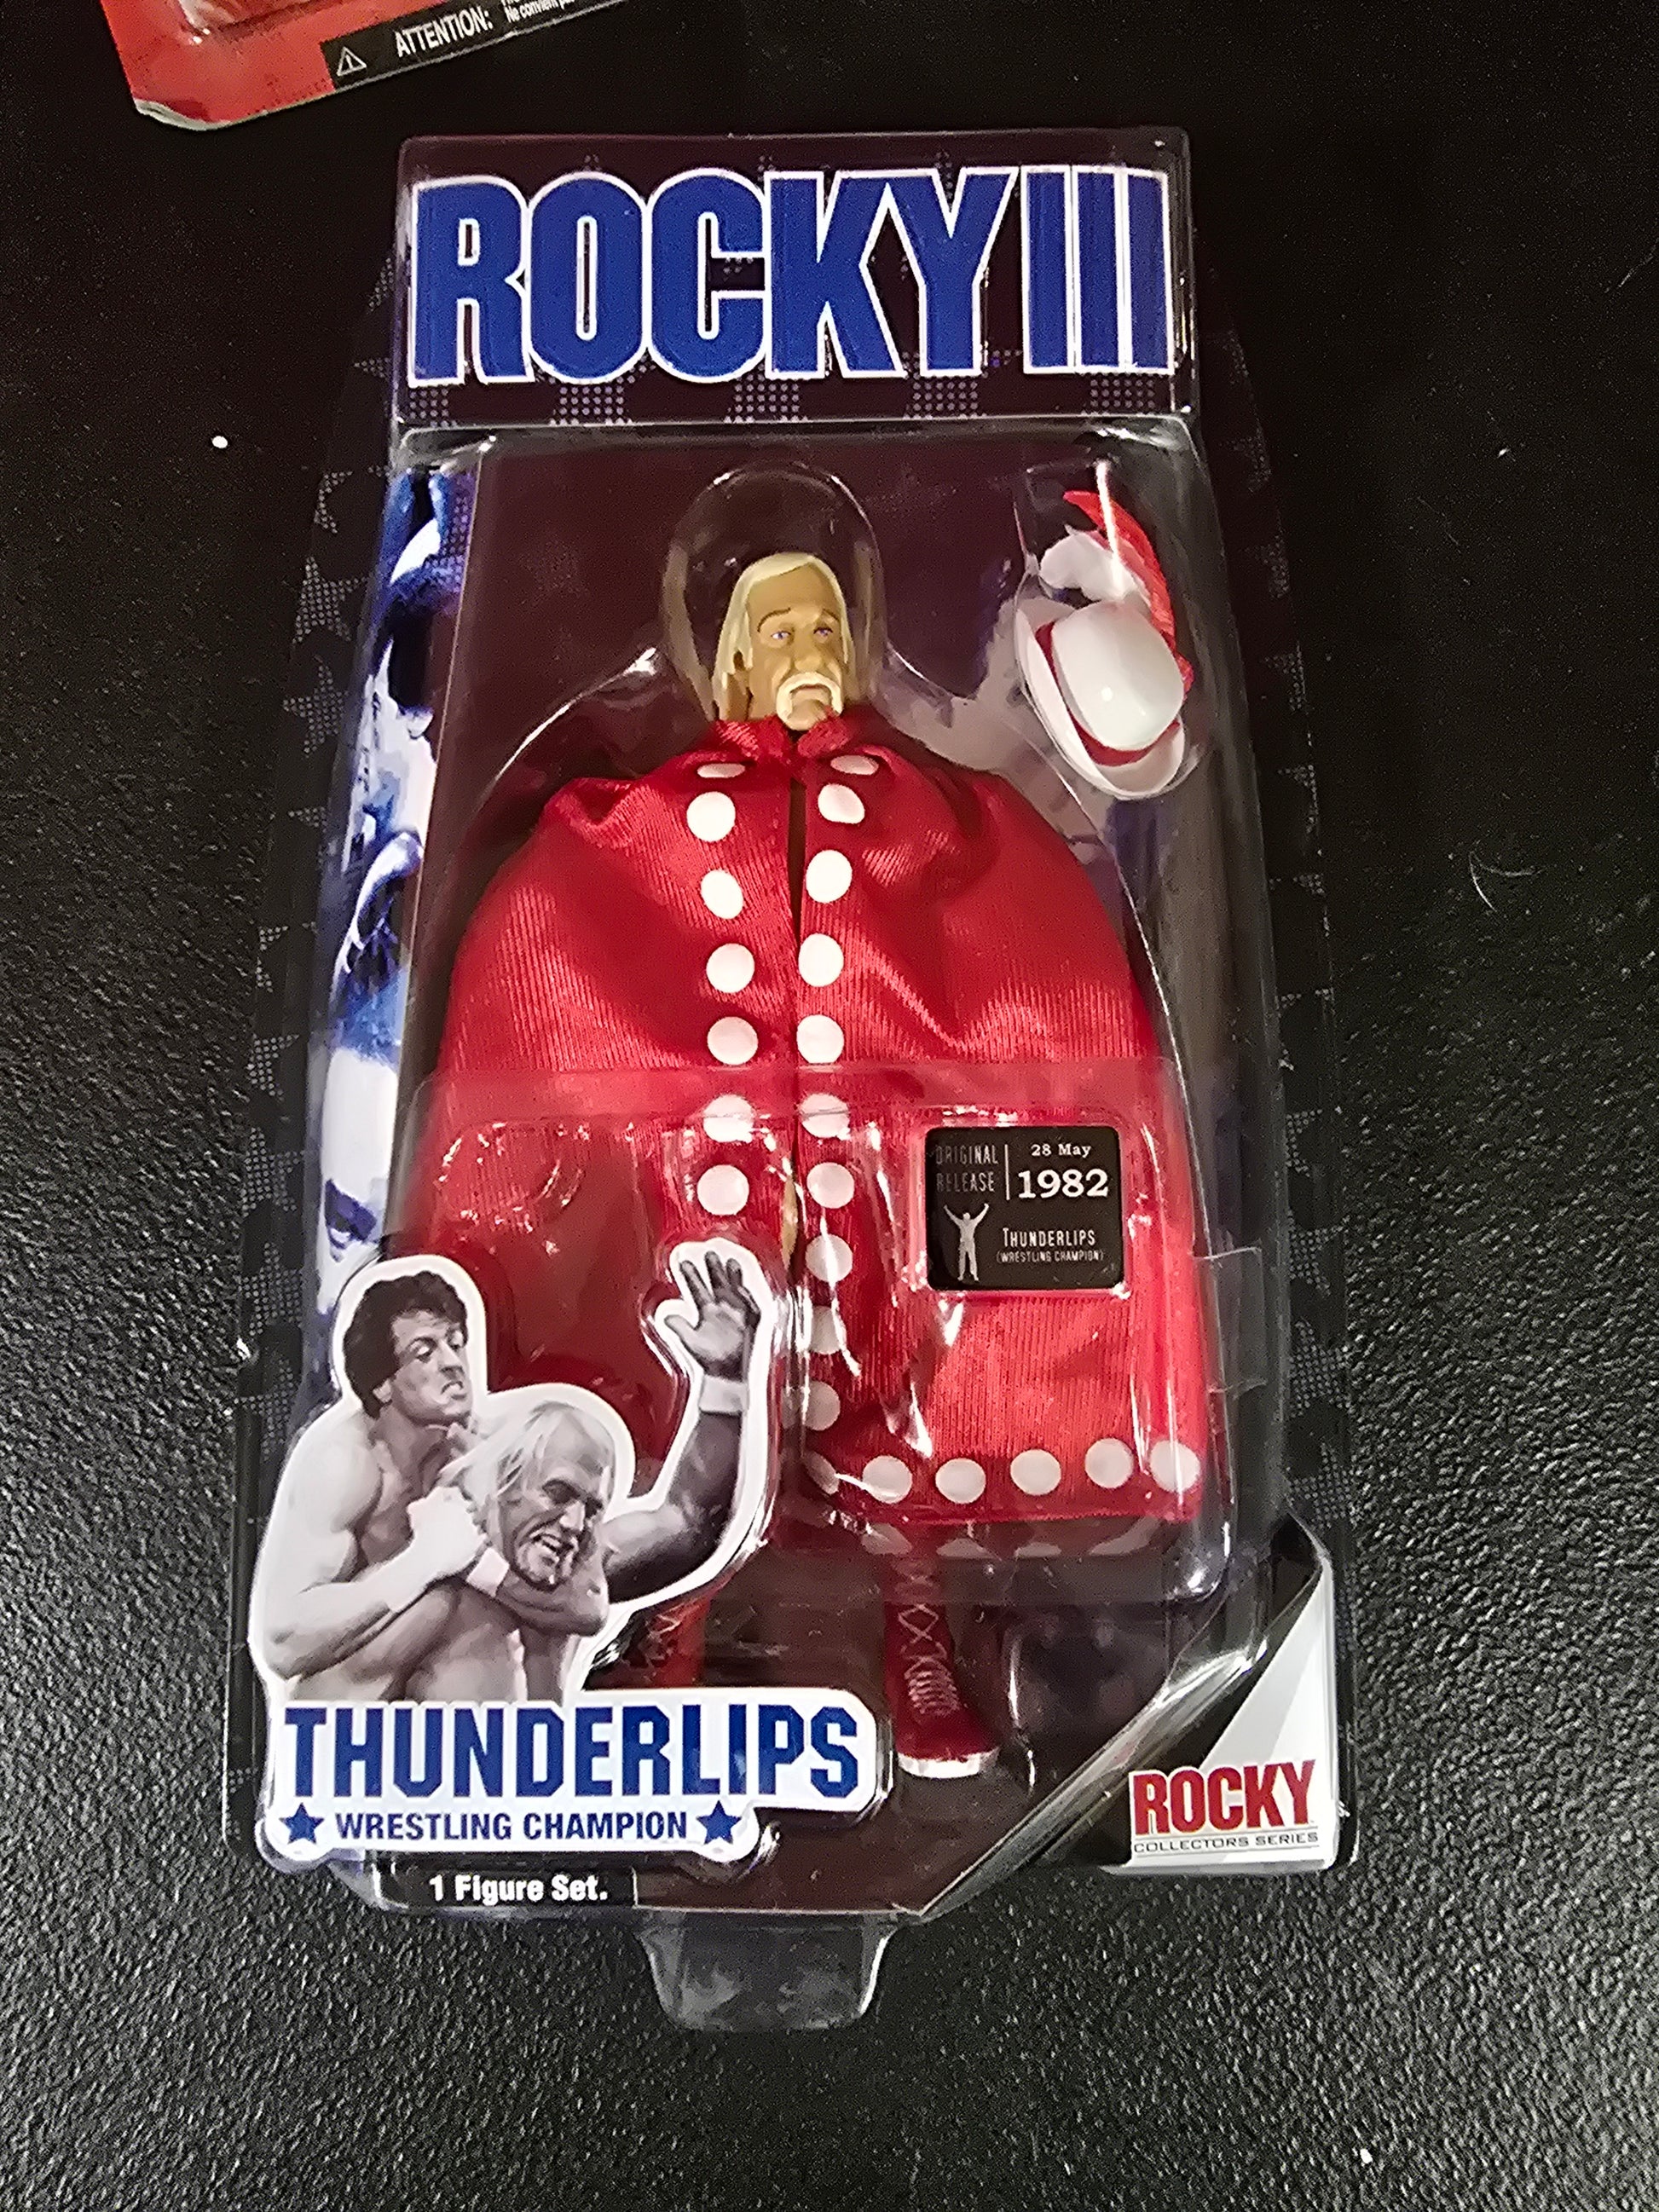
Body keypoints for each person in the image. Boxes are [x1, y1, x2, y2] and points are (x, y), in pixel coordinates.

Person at [397, 475, 1213, 1776]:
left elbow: (1028, 959)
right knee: (701, 1411)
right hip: (715, 1192)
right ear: (725, 656)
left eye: (826, 627)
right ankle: (666, 1637)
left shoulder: (939, 812)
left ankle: (919, 1643)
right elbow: (550, 965)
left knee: (904, 1402)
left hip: (881, 1189)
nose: (808, 652)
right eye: (779, 630)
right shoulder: (632, 820)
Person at [251, 1252, 765, 1702]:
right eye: (425, 1352)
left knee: (495, 1605)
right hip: (379, 1744)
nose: (453, 1364)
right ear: (382, 1384)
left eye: (456, 1343)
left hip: (526, 1756)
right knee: (442, 1608)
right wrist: (421, 1564)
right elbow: (284, 1644)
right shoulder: (346, 1464)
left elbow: (677, 1532)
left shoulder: (513, 1455)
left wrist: (724, 1384)